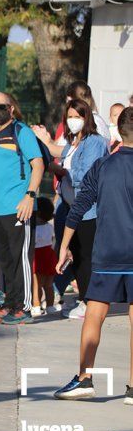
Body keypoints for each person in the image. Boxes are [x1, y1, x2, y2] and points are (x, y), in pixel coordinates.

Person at [53, 107, 133, 405]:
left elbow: (79, 205)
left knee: (94, 314)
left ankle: (85, 378)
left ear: (118, 132)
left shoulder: (102, 166)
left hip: (108, 253)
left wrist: (64, 246)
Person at [0, 92, 45, 325]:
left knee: (21, 257)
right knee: (6, 259)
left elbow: (39, 164)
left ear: (12, 108)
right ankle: (10, 304)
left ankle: (23, 307)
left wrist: (29, 196)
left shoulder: (22, 132)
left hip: (19, 207)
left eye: (1, 106)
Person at [32, 99, 109, 319]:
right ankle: (84, 298)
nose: (73, 121)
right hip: (71, 206)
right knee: (75, 255)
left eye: (78, 116)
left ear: (87, 118)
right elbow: (63, 156)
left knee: (85, 256)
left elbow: (86, 176)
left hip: (88, 210)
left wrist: (65, 173)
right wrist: (46, 148)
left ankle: (88, 302)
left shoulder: (94, 142)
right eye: (70, 116)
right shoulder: (75, 142)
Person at [31, 197, 61, 317]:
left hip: (38, 257)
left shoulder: (35, 229)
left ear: (37, 213)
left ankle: (36, 306)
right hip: (49, 256)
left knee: (36, 284)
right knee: (48, 285)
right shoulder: (49, 226)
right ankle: (50, 306)